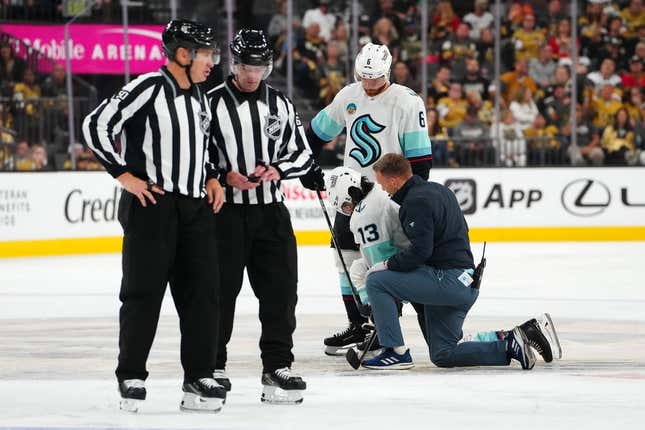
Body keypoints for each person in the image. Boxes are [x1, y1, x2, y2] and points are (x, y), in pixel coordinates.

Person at [82, 19, 227, 413]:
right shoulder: (147, 86)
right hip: (152, 206)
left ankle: (199, 376)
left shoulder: (200, 96)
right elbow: (95, 124)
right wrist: (123, 175)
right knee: (143, 294)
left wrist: (211, 177)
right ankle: (131, 374)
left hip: (195, 208)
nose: (213, 61)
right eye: (206, 53)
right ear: (182, 54)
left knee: (203, 295)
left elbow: (202, 145)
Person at [325, 166, 562, 365]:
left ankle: (394, 352)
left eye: (346, 206)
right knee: (443, 352)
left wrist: (375, 305)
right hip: (460, 279)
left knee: (375, 279)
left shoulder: (367, 213)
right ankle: (513, 340)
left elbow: (388, 261)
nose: (348, 211)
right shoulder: (432, 192)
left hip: (443, 280)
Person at [300, 42, 432, 355]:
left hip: (388, 196)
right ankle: (358, 324)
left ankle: (383, 328)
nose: (369, 84)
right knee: (345, 259)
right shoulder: (349, 95)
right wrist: (306, 164)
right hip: (350, 192)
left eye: (374, 78)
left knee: (380, 261)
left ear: (387, 72)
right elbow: (316, 134)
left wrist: (409, 199)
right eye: (364, 77)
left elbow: (421, 162)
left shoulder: (407, 102)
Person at [207, 29, 310, 405]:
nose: (253, 75)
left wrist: (278, 169)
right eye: (247, 67)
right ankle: (212, 366)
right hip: (223, 215)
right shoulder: (209, 102)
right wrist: (220, 175)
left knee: (281, 293)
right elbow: (195, 153)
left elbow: (301, 153)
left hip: (270, 214)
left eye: (260, 67)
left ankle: (277, 366)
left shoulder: (280, 104)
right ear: (234, 64)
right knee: (219, 293)